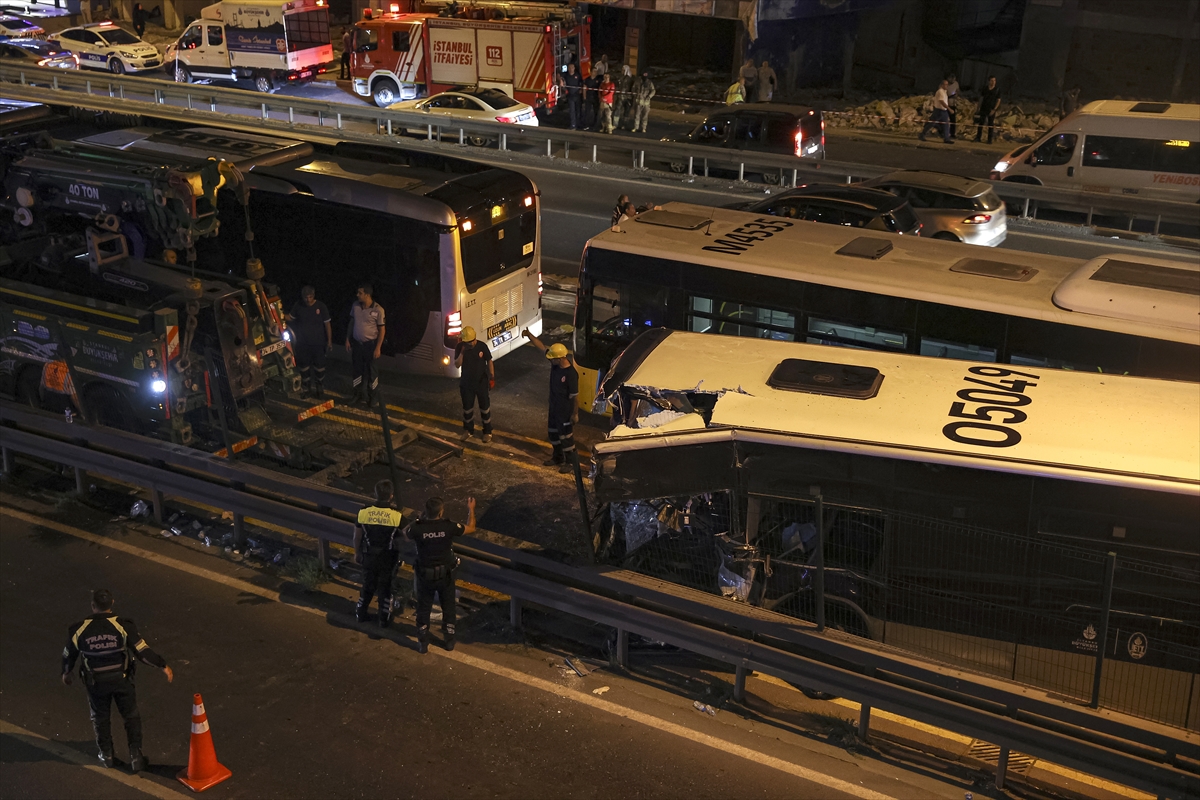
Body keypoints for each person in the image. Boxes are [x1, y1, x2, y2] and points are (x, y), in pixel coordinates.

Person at [62, 589, 174, 771]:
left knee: (100, 718)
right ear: (112, 603)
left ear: (92, 606)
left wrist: (66, 673)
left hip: (96, 684)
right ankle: (136, 755)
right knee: (130, 716)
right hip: (122, 681)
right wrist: (162, 666)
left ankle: (107, 755)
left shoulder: (79, 629)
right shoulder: (123, 625)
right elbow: (142, 652)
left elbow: (68, 654)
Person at [406, 495, 476, 653]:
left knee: (424, 607)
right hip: (446, 575)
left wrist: (418, 520)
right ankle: (449, 639)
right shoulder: (448, 526)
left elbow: (404, 533)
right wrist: (471, 510)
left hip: (425, 576)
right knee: (448, 607)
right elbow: (471, 527)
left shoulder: (418, 528)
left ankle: (423, 640)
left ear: (425, 511)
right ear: (441, 512)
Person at [521, 329, 578, 473]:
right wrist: (529, 335)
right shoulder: (556, 364)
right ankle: (558, 456)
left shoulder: (570, 374)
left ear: (560, 358)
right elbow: (542, 348)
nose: (550, 360)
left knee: (566, 437)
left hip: (564, 410)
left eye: (553, 358)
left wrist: (575, 414)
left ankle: (571, 463)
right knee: (553, 433)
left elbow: (575, 396)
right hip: (553, 406)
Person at [354, 480, 403, 627]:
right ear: (391, 496)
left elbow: (357, 537)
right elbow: (408, 535)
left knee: (368, 585)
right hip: (387, 558)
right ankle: (383, 618)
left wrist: (357, 553)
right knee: (385, 588)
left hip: (369, 556)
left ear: (375, 494)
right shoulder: (396, 516)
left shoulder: (363, 512)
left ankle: (360, 614)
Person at [286, 285, 332, 397]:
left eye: (310, 297)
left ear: (313, 296)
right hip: (302, 344)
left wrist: (329, 341)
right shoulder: (298, 306)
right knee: (304, 367)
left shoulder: (321, 306)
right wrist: (278, 314)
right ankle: (306, 389)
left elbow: (327, 324)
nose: (308, 299)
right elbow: (290, 318)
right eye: (306, 297)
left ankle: (319, 388)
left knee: (320, 367)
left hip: (318, 343)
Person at [345, 284, 386, 407]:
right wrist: (348, 339)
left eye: (360, 293)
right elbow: (352, 323)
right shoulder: (355, 306)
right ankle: (357, 394)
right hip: (357, 345)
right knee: (357, 371)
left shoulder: (378, 310)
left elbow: (382, 330)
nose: (357, 295)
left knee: (372, 372)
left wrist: (378, 347)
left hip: (370, 345)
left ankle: (373, 397)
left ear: (367, 295)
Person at [455, 326, 494, 442]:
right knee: (467, 409)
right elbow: (457, 364)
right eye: (465, 342)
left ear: (474, 339)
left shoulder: (482, 346)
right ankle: (468, 430)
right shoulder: (460, 348)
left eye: (469, 342)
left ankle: (487, 431)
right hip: (466, 384)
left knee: (485, 408)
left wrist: (492, 376)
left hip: (481, 382)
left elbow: (489, 360)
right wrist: (462, 352)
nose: (468, 345)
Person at [918, 79, 953, 144]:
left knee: (946, 125)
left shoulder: (944, 92)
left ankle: (946, 138)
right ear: (942, 85)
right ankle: (922, 134)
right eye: (946, 84)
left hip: (943, 111)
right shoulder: (940, 92)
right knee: (932, 123)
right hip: (939, 111)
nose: (947, 86)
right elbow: (941, 101)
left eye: (947, 84)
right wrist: (949, 109)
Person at [974, 76, 1001, 144]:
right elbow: (981, 98)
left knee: (990, 124)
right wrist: (978, 108)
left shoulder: (997, 89)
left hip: (991, 109)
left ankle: (989, 140)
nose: (993, 82)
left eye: (994, 80)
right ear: (989, 81)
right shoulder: (985, 88)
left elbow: (998, 100)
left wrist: (994, 109)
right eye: (992, 80)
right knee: (981, 123)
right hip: (983, 108)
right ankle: (978, 137)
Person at [562, 63, 583, 130]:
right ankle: (573, 125)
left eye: (572, 67)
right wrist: (561, 81)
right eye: (569, 68)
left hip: (577, 96)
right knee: (572, 111)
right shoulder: (566, 75)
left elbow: (582, 82)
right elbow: (559, 75)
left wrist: (581, 89)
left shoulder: (577, 75)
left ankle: (579, 124)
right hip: (570, 96)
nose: (571, 69)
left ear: (574, 68)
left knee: (578, 111)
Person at [613, 65, 634, 130]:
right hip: (620, 97)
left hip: (627, 98)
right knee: (617, 110)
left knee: (626, 112)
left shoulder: (630, 79)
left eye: (623, 70)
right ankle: (615, 124)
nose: (622, 71)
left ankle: (624, 125)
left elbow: (632, 89)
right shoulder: (620, 77)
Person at [946, 74, 960, 139]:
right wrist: (950, 96)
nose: (953, 81)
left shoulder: (956, 84)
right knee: (945, 119)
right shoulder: (945, 84)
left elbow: (958, 91)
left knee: (953, 119)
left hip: (953, 104)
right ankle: (944, 132)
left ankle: (952, 133)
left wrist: (957, 95)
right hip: (946, 104)